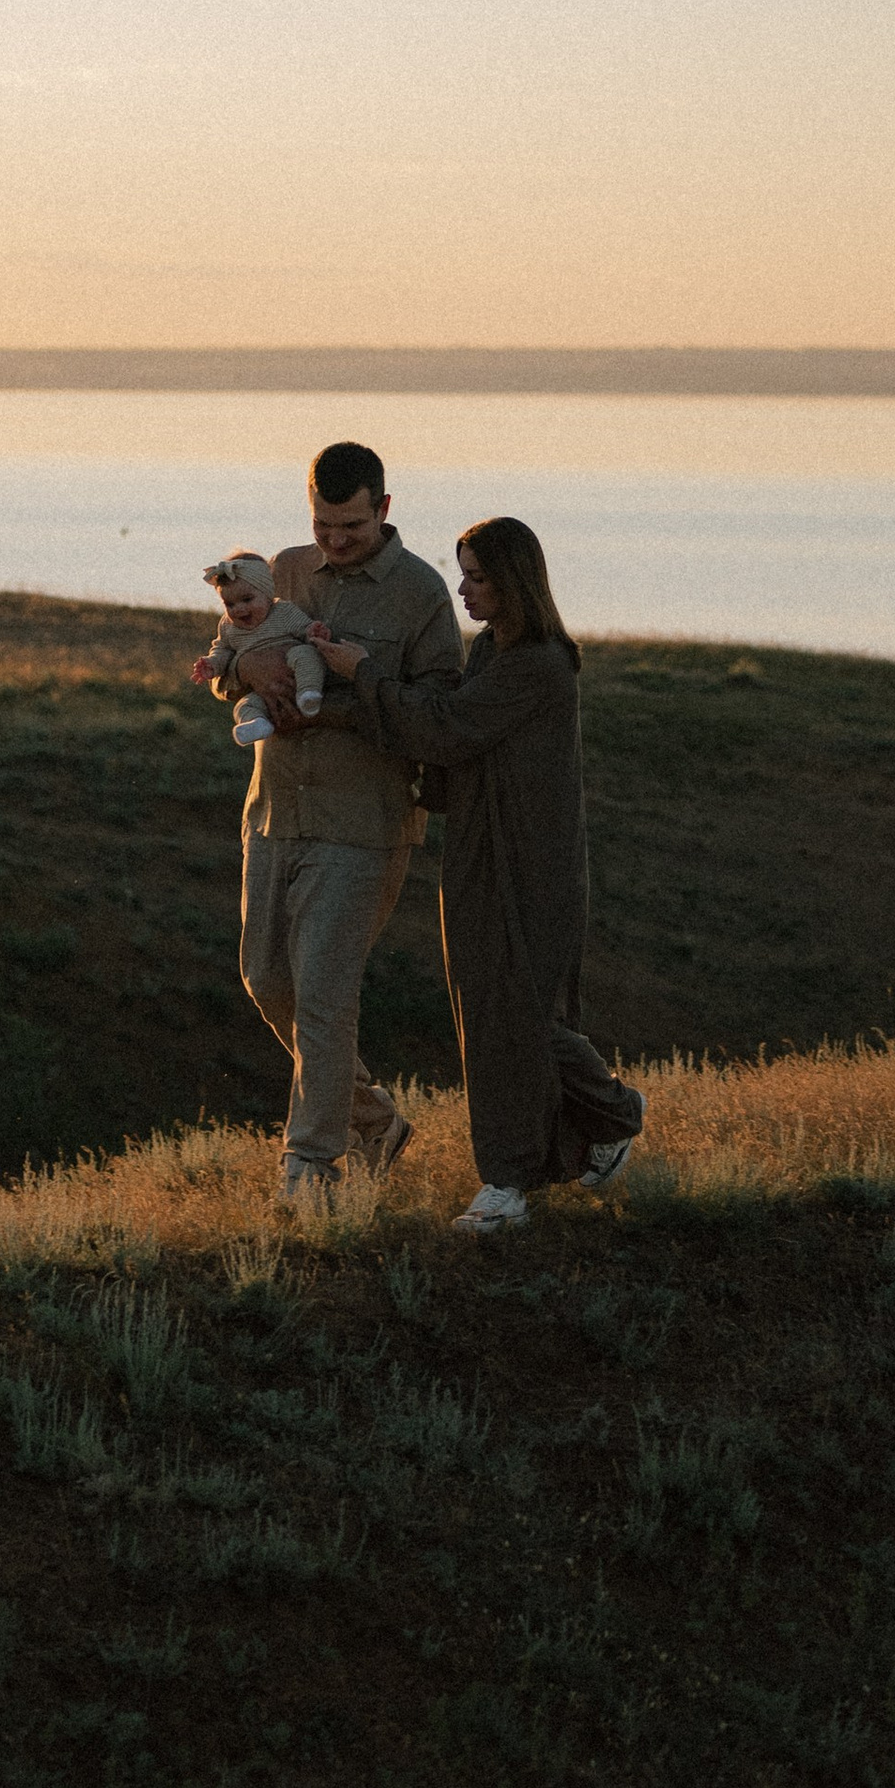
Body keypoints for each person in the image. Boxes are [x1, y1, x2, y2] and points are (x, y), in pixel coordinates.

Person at [312, 514, 642, 1234]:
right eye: (462, 574)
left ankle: (514, 1178)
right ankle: (591, 1134)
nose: (462, 589)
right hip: (484, 853)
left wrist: (361, 673)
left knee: (512, 1018)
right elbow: (453, 734)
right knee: (500, 1014)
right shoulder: (498, 648)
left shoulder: (537, 663)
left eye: (477, 577)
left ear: (513, 581)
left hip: (530, 861)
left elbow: (447, 727)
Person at [212, 442, 464, 1210]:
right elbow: (224, 660)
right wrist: (242, 675)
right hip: (274, 811)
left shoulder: (422, 596)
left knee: (323, 993)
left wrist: (347, 699)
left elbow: (439, 715)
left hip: (365, 823)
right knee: (267, 980)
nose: (333, 539)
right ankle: (375, 1122)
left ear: (382, 510)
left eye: (349, 526)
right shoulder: (279, 570)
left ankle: (311, 1168)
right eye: (323, 524)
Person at [191, 552, 326, 749]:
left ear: (268, 594)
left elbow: (304, 630)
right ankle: (256, 725)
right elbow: (222, 651)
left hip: (292, 665)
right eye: (230, 604)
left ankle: (309, 693)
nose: (238, 609)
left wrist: (314, 632)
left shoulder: (284, 611)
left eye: (247, 599)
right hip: (262, 692)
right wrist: (212, 665)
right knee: (245, 705)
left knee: (305, 654)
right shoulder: (229, 626)